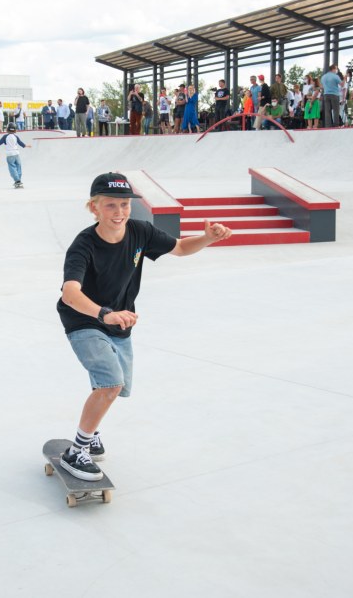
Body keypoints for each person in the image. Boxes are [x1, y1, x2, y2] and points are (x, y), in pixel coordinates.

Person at [55, 172, 233, 481]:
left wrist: (207, 238)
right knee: (110, 383)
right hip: (84, 319)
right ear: (94, 208)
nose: (119, 212)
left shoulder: (140, 232)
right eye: (110, 205)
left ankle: (91, 433)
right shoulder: (84, 245)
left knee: (114, 385)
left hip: (120, 322)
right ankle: (77, 451)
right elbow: (70, 294)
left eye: (124, 205)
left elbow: (179, 247)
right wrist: (104, 314)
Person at [0, 122, 32, 188]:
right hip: (16, 154)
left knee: (12, 167)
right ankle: (19, 180)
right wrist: (26, 145)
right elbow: (21, 143)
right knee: (18, 167)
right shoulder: (16, 136)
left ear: (7, 129)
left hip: (10, 155)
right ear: (15, 130)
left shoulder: (5, 136)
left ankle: (17, 181)